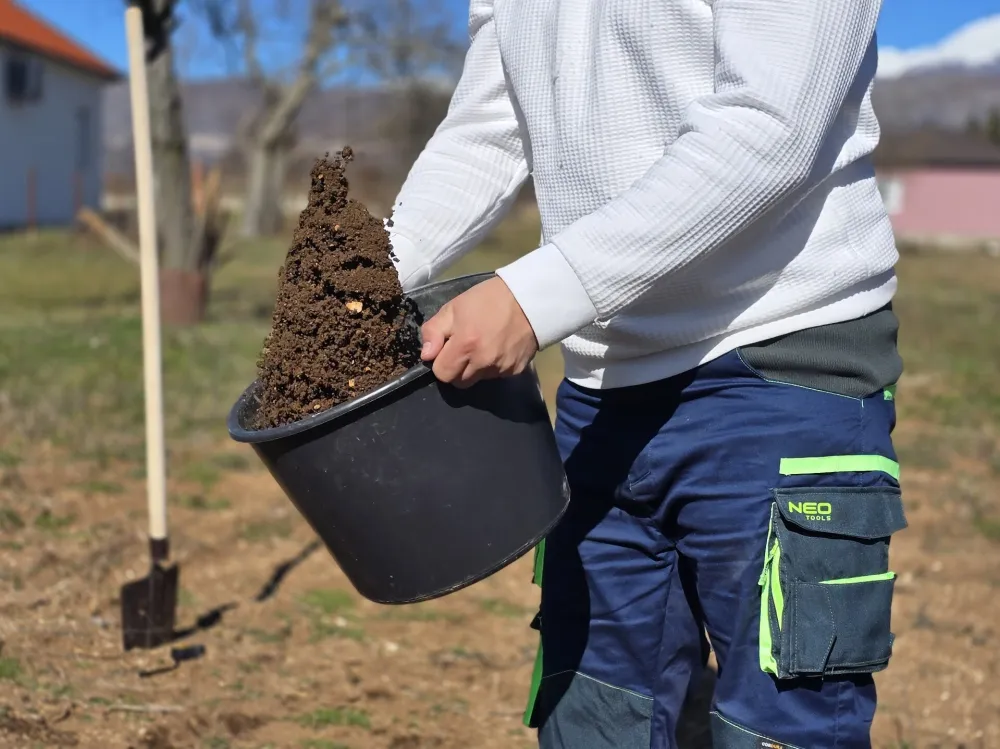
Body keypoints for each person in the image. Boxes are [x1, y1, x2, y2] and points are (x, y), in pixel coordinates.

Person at [386, 0, 905, 747]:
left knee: (779, 728)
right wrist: (358, 282)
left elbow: (772, 125)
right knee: (595, 716)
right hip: (599, 390)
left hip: (777, 365)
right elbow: (488, 130)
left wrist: (537, 296)